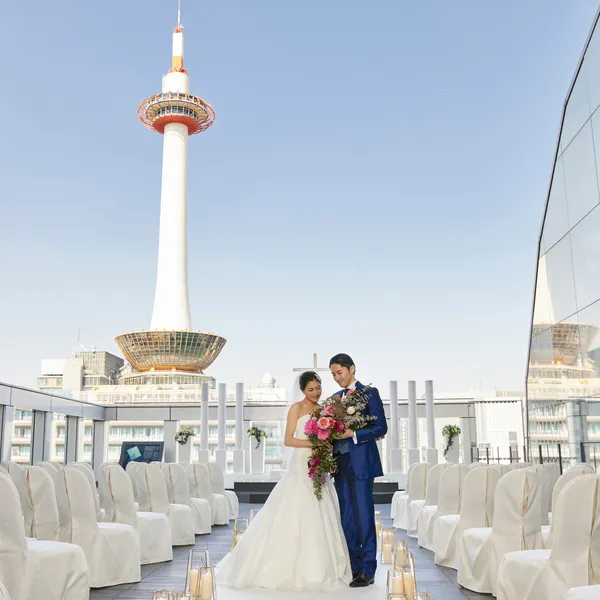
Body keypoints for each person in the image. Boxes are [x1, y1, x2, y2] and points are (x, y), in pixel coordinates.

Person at [216, 371, 352, 592]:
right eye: (311, 389)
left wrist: (326, 444)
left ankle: (324, 567)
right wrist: (313, 442)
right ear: (301, 390)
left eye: (318, 388)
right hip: (301, 464)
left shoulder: (324, 410)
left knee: (322, 507)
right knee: (294, 508)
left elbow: (329, 436)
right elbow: (288, 439)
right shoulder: (296, 408)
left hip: (319, 463)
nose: (316, 393)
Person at [330, 353, 388, 588]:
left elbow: (380, 427)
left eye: (339, 372)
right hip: (340, 465)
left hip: (362, 463)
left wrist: (354, 434)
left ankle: (368, 569)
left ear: (351, 369)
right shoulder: (334, 399)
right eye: (333, 374)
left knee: (364, 516)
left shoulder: (369, 393)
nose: (336, 378)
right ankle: (354, 567)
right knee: (347, 518)